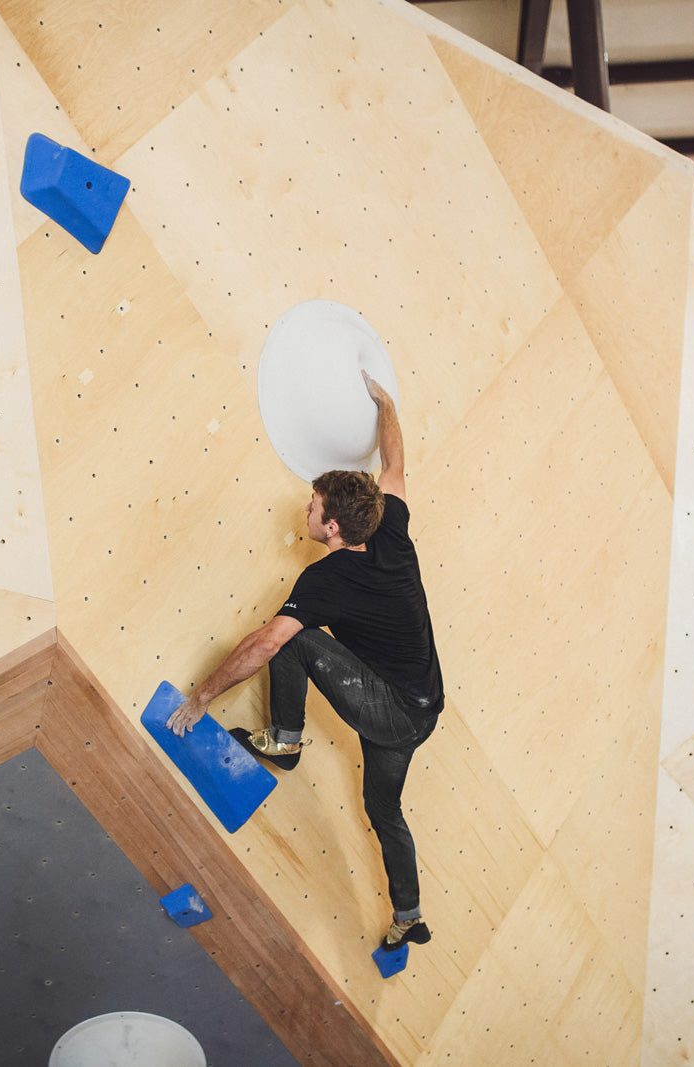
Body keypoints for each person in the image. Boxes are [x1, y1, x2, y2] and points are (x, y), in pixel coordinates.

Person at [167, 371, 443, 952]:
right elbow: (395, 464)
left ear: (333, 529)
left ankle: (285, 741)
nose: (307, 508)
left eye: (314, 505)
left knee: (291, 638)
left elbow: (266, 644)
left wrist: (201, 698)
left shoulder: (325, 579)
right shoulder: (390, 524)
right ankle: (408, 915)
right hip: (423, 706)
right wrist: (385, 404)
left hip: (391, 709)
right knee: (383, 807)